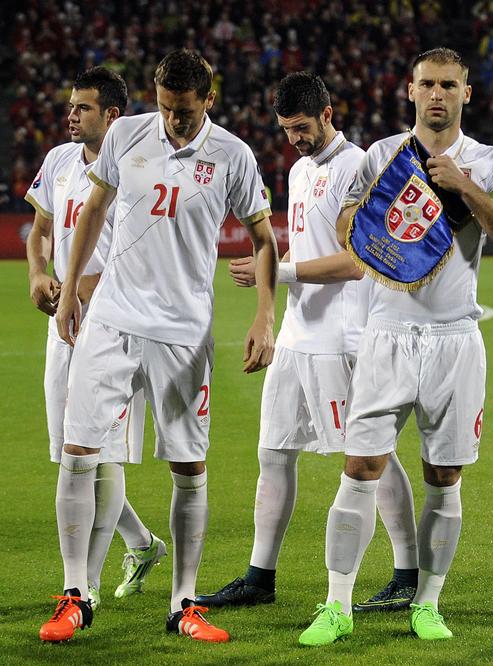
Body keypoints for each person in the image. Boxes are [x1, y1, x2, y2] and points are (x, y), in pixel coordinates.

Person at [297, 47, 493, 647]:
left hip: (455, 338)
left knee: (443, 475)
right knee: (360, 468)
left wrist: (465, 189)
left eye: (448, 85)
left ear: (466, 93)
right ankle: (336, 604)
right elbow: (350, 229)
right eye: (427, 84)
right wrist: (398, 200)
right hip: (387, 335)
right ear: (409, 90)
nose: (437, 95)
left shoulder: (488, 161)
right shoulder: (380, 156)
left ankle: (427, 603)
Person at [46, 49, 278, 644]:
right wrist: (72, 290)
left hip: (182, 331)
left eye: (185, 110)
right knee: (78, 452)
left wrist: (264, 316)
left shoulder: (233, 154)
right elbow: (94, 210)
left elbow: (262, 238)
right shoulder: (125, 134)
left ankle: (184, 604)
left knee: (189, 467)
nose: (173, 120)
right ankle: (76, 594)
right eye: (167, 107)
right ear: (156, 94)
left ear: (209, 100)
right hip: (114, 319)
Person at [195, 71, 419, 613]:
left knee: (371, 457)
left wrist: (285, 271)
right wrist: (268, 316)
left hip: (345, 339)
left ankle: (408, 573)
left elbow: (362, 260)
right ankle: (259, 575)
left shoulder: (362, 168)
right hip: (299, 336)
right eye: (286, 129)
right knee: (273, 451)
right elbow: (293, 247)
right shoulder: (298, 171)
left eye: (302, 127)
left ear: (328, 115)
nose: (294, 138)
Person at [26, 65, 166, 613]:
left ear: (111, 114)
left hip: (116, 330)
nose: (71, 115)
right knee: (73, 453)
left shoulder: (141, 168)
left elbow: (146, 255)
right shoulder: (59, 161)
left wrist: (79, 289)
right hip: (63, 326)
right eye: (70, 105)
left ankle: (82, 586)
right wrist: (40, 276)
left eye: (82, 107)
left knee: (98, 451)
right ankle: (142, 544)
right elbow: (38, 233)